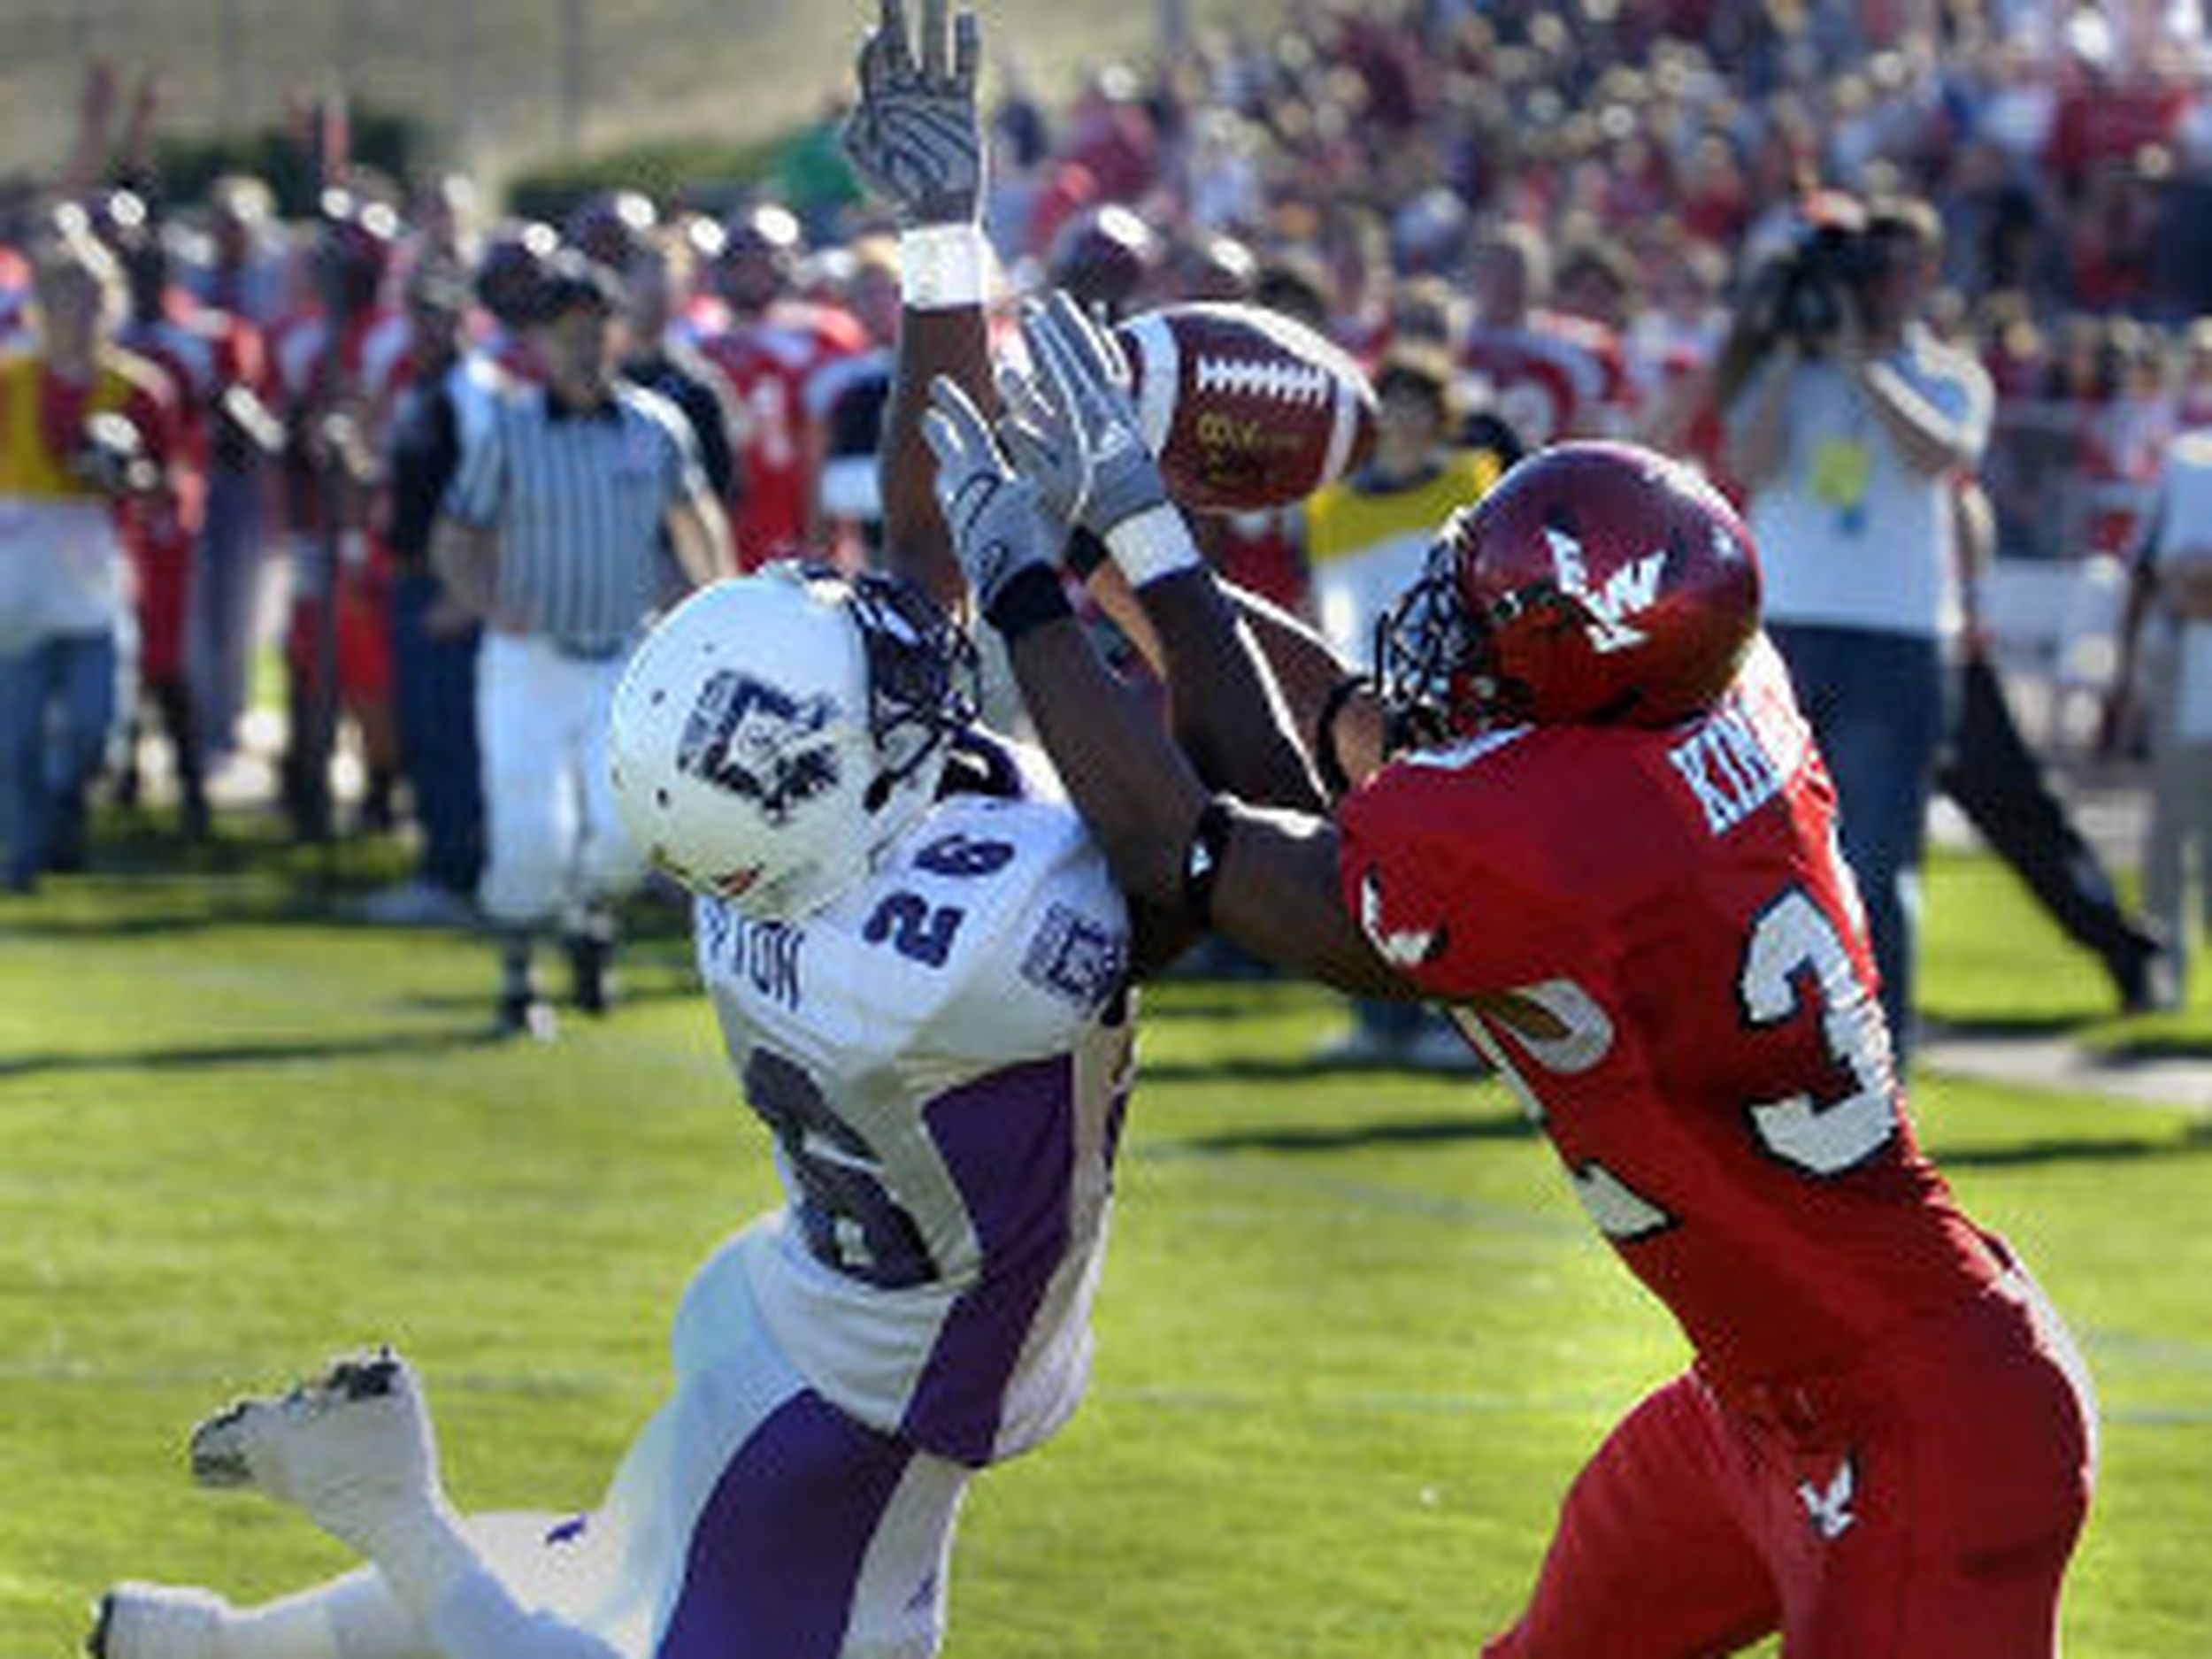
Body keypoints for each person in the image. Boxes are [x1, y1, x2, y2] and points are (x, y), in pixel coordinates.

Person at [87, 9, 1188, 1658]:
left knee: (614, 1563)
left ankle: (216, 1648)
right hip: (867, 1375)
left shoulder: (786, 872)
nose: (907, 652)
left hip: (810, 1308)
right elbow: (1194, 845)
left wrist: (946, 246)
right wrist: (1161, 555)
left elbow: (923, 540)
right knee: (607, 1622)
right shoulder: (986, 931)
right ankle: (381, 1500)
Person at [920, 292, 2097, 1655]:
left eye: (1485, 611)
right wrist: (1114, 541)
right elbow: (1342, 731)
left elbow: (1186, 836)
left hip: (1918, 1438)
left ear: (1576, 652)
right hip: (1769, 1398)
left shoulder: (1558, 835)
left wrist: (1026, 584)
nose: (1448, 631)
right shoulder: (1708, 696)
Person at [429, 250, 733, 1039]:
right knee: (530, 828)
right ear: (538, 343)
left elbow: (695, 521)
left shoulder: (654, 426)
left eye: (597, 330)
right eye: (566, 333)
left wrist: (714, 611)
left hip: (624, 654)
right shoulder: (510, 430)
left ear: (619, 335)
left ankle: (588, 915)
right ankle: (519, 974)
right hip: (529, 657)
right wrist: (488, 604)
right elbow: (456, 534)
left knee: (626, 833)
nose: (583, 347)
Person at [1723, 193, 1994, 1063]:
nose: (1882, 285)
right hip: (1785, 633)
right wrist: (1791, 354)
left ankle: (1880, 1044)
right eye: (1871, 268)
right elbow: (1746, 462)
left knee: (1877, 859)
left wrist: (1858, 362)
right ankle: (1776, 1040)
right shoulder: (1788, 373)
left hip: (1897, 638)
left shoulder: (1947, 373)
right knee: (1766, 854)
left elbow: (1936, 457)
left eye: (1899, 267)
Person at [0, 207, 174, 892]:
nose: (77, 312)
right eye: (64, 298)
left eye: (91, 298)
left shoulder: (137, 388)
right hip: (18, 572)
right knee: (13, 733)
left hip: (94, 574)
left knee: (94, 725)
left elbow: (168, 487)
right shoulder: (10, 383)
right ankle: (24, 855)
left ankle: (61, 814)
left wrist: (129, 475)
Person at [2105, 423, 2212, 1010]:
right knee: (2173, 828)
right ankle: (2158, 977)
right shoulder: (2189, 460)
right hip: (2185, 657)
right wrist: (2122, 679)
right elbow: (2154, 574)